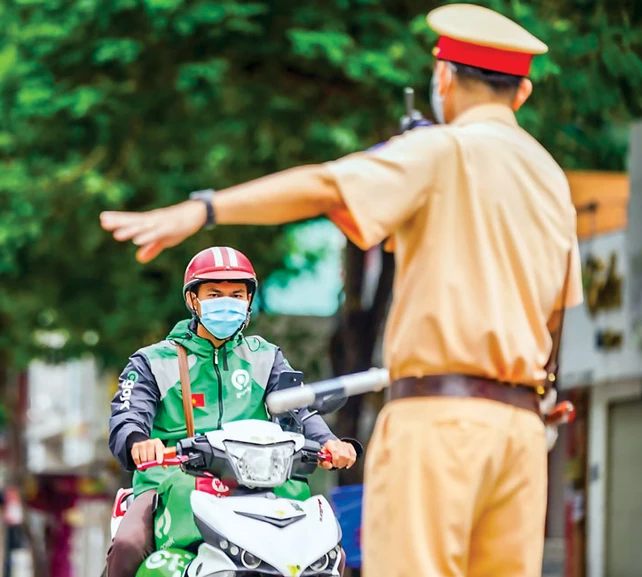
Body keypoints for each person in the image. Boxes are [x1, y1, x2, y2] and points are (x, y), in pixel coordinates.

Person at [99, 4, 584, 575]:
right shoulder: (550, 175)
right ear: (522, 92)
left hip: (441, 423)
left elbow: (329, 186)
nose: (226, 302)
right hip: (523, 431)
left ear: (444, 77)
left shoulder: (442, 150)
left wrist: (204, 208)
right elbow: (556, 313)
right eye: (214, 292)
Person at [104, 246, 358, 577]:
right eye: (214, 293)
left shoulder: (265, 357)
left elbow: (299, 408)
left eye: (236, 294)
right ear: (193, 300)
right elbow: (128, 413)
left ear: (249, 300)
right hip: (171, 481)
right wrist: (138, 441)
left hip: (259, 484)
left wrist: (328, 442)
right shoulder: (154, 360)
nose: (227, 302)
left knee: (327, 552)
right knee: (129, 546)